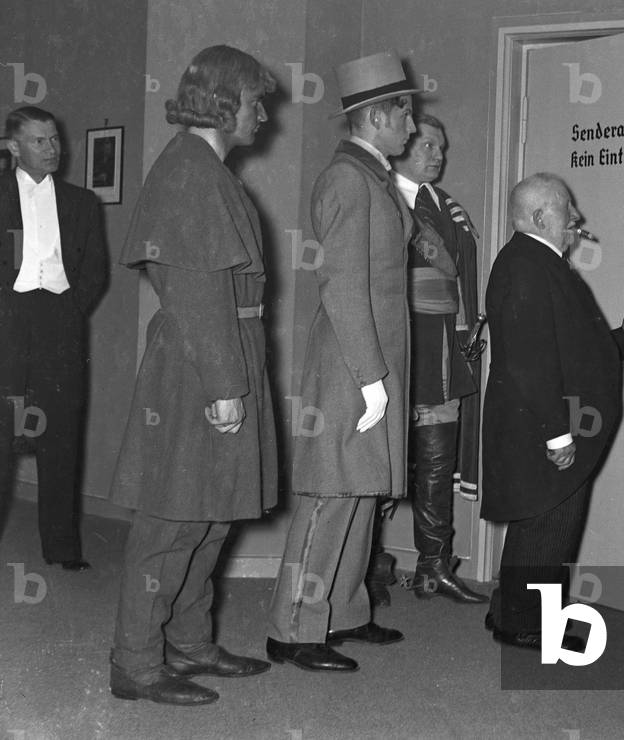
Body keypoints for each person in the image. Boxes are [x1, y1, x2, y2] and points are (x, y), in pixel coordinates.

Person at [108, 45, 278, 705]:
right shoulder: (189, 172)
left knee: (212, 515)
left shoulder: (207, 169)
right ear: (226, 102)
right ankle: (136, 663)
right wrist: (223, 387)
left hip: (223, 351)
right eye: (256, 102)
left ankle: (188, 643)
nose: (263, 116)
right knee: (172, 521)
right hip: (199, 364)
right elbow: (192, 291)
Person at [266, 50, 415, 672]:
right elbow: (344, 286)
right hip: (353, 361)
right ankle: (293, 627)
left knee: (360, 492)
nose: (412, 124)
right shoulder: (348, 180)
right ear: (378, 115)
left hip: (371, 357)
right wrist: (371, 379)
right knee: (331, 494)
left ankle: (344, 611)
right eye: (405, 113)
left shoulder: (371, 176)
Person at [481, 173, 624, 650]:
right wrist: (557, 435)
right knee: (549, 527)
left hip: (543, 422)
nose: (576, 218)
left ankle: (512, 611)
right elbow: (530, 360)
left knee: (539, 523)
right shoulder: (529, 266)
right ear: (539, 217)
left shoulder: (536, 262)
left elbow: (567, 347)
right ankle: (528, 624)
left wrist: (620, 338)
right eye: (566, 209)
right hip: (545, 427)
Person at [0, 106, 107, 570]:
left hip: (60, 327)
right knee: (4, 434)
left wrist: (69, 311)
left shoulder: (82, 202)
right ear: (13, 147)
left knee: (60, 440)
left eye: (54, 140)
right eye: (39, 141)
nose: (51, 149)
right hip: (7, 324)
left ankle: (62, 548)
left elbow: (95, 270)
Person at [387, 113, 486, 604]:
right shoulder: (380, 196)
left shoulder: (447, 206)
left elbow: (462, 277)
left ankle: (432, 566)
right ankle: (362, 569)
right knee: (383, 459)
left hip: (445, 347)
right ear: (401, 144)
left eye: (441, 147)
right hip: (400, 341)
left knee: (435, 458)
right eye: (427, 144)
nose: (437, 155)